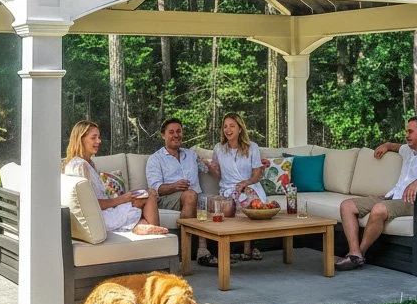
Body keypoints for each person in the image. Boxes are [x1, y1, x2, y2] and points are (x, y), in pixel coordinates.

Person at [334, 115, 417, 271]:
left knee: (379, 209)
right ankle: (354, 252)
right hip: (394, 196)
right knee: (347, 206)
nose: (406, 135)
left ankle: (359, 255)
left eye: (410, 131)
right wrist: (387, 145)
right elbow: (396, 147)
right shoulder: (409, 150)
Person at [63, 119, 168, 236]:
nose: (99, 141)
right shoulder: (80, 166)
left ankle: (140, 228)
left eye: (99, 137)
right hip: (103, 217)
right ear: (81, 139)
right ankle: (157, 240)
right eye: (93, 137)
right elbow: (90, 205)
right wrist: (122, 199)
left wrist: (124, 198)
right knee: (150, 195)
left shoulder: (88, 164)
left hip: (105, 211)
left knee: (145, 203)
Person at [145, 117, 215, 266]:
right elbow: (156, 189)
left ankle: (216, 250)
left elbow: (209, 168)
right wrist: (175, 186)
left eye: (179, 131)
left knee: (219, 202)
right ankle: (185, 255)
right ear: (163, 135)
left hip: (194, 196)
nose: (176, 135)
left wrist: (212, 162)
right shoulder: (155, 159)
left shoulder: (191, 155)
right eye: (171, 132)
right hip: (168, 198)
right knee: (191, 196)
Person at [207, 112, 266, 261]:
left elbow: (257, 173)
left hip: (250, 184)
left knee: (250, 199)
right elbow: (217, 174)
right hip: (228, 188)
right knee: (238, 201)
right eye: (225, 126)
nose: (228, 130)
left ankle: (248, 247)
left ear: (240, 128)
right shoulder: (219, 148)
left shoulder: (252, 147)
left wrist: (245, 183)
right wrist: (210, 167)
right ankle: (246, 248)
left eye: (232, 126)